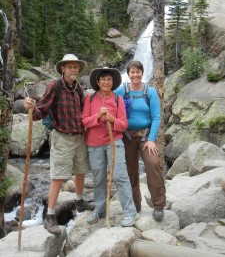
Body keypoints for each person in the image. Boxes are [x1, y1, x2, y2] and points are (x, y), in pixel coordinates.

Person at [24, 54, 94, 235]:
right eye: (70, 67)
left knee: (80, 170)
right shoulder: (54, 86)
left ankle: (79, 201)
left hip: (79, 136)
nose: (73, 70)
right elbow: (42, 110)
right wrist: (31, 108)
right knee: (58, 176)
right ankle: (50, 215)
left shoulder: (77, 87)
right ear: (62, 69)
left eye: (76, 68)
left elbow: (85, 109)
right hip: (62, 137)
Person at [82, 67, 139, 227]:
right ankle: (99, 210)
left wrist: (113, 119)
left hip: (114, 142)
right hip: (94, 144)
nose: (106, 82)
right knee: (99, 179)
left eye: (109, 79)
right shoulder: (90, 99)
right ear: (98, 82)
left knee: (120, 176)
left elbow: (123, 124)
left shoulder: (117, 100)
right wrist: (98, 117)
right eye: (103, 79)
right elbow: (84, 121)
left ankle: (130, 212)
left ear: (113, 82)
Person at [114, 60, 166, 221]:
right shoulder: (122, 92)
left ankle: (158, 205)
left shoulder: (149, 92)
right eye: (132, 72)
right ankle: (135, 206)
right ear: (128, 74)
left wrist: (151, 139)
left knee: (153, 163)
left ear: (142, 73)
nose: (135, 75)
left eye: (138, 72)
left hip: (145, 137)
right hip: (126, 137)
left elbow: (156, 117)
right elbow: (109, 103)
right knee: (131, 172)